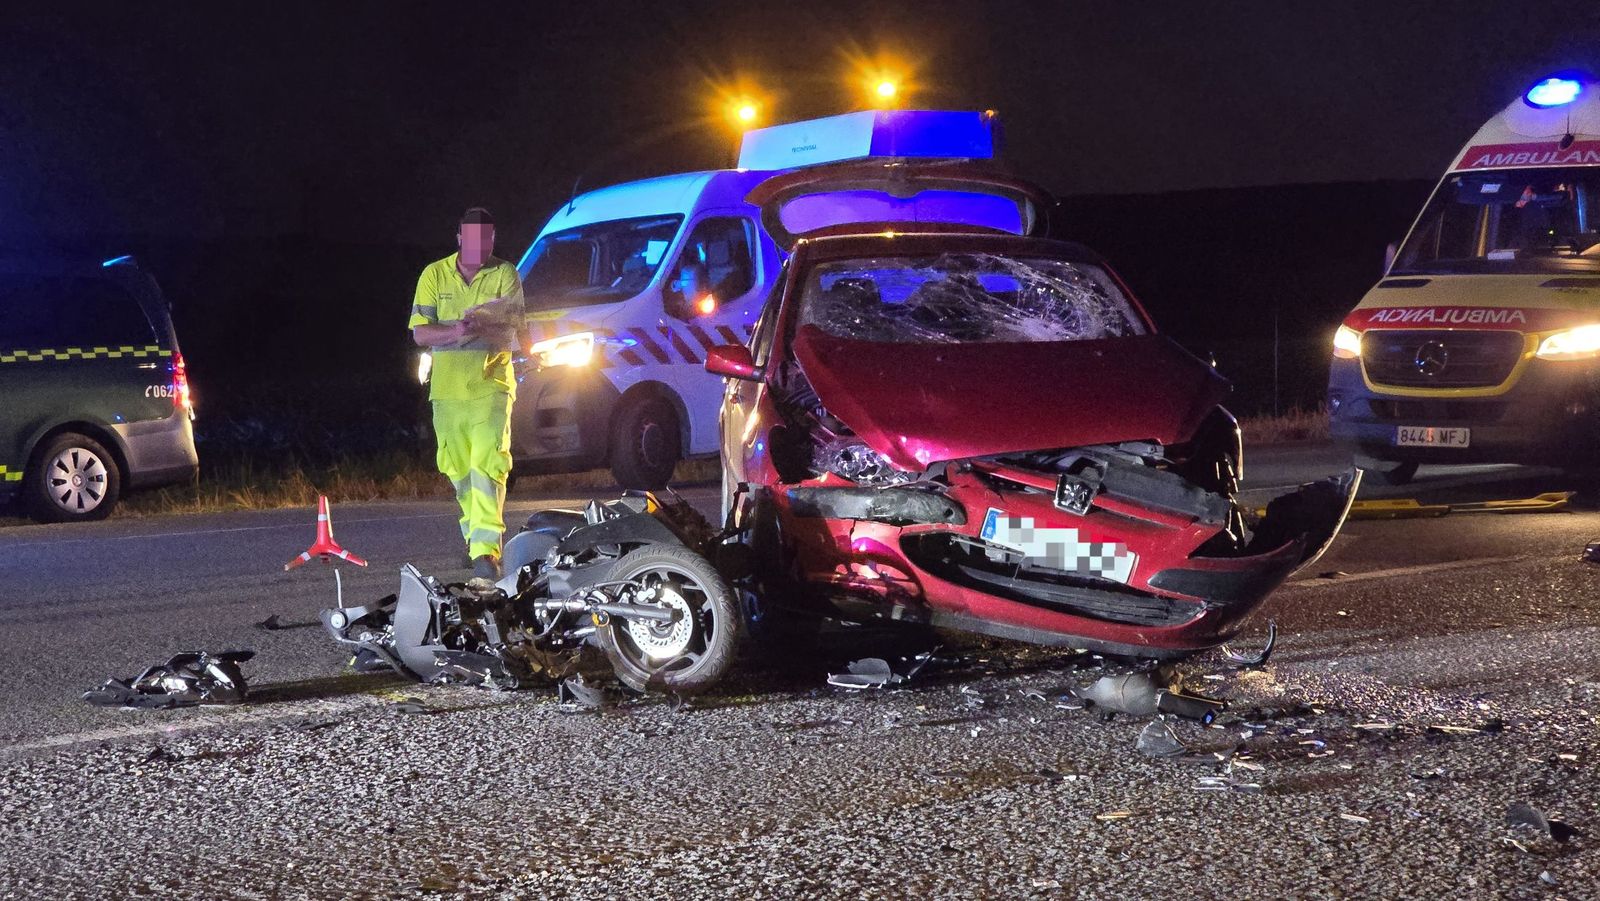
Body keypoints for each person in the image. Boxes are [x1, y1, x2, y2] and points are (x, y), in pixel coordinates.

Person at [410, 207, 524, 579]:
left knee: (487, 464)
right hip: (447, 391)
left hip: (491, 386)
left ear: (492, 239)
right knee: (458, 469)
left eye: (486, 239)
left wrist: (484, 322)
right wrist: (455, 332)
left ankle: (486, 551)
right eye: (472, 239)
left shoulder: (505, 273)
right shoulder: (434, 274)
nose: (479, 246)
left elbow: (514, 324)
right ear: (459, 238)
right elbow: (420, 333)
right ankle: (473, 536)